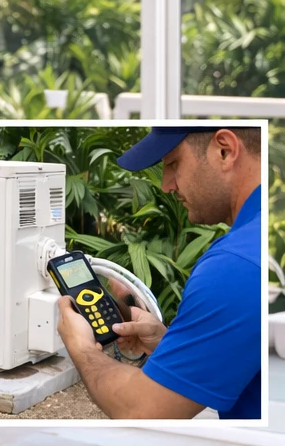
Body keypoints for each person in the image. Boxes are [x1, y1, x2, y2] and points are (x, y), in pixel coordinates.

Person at [58, 126, 262, 420]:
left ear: (224, 150)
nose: (166, 184)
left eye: (173, 163)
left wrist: (82, 349)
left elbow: (140, 410)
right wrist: (171, 346)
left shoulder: (235, 265)